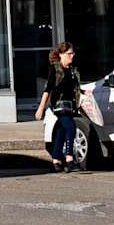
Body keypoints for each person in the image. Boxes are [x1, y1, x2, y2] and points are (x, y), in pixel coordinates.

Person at [34, 41, 83, 173]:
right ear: (61, 54)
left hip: (70, 104)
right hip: (59, 105)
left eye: (73, 53)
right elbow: (47, 89)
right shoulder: (54, 69)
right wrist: (41, 108)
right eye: (69, 53)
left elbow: (75, 88)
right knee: (71, 127)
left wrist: (84, 93)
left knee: (61, 130)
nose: (72, 56)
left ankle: (56, 159)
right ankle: (69, 159)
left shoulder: (73, 70)